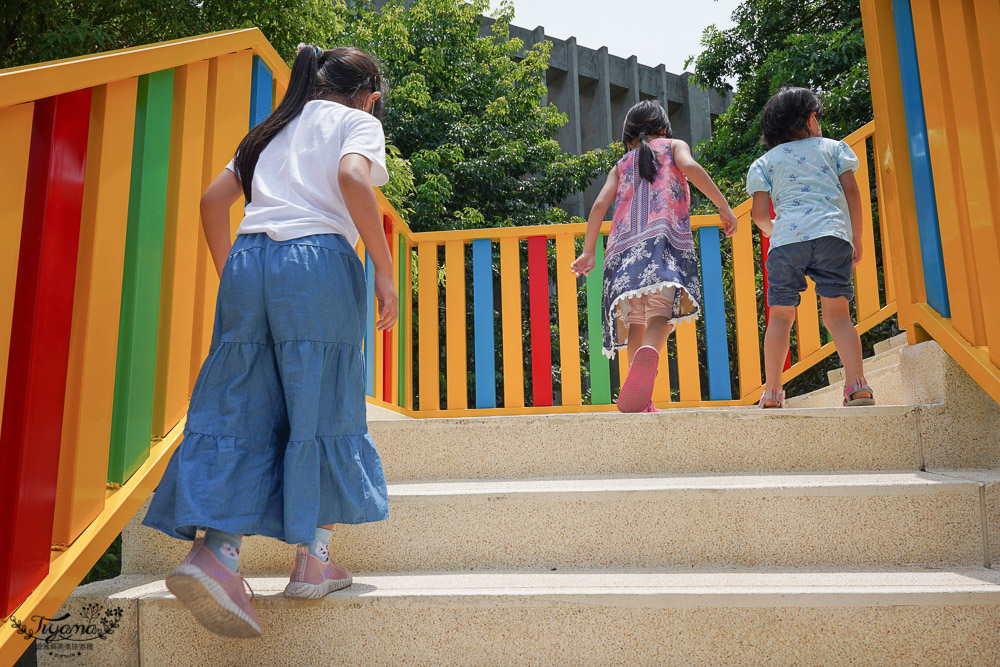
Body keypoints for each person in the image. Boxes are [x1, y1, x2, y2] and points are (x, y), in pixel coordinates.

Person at [141, 43, 397, 638]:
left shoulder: (268, 131)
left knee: (240, 402)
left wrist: (234, 268)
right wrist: (382, 268)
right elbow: (352, 176)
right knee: (323, 399)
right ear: (370, 97)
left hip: (250, 261)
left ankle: (218, 557)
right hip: (316, 263)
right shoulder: (356, 122)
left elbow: (211, 202)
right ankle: (313, 561)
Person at [571, 100, 737, 413]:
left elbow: (598, 207)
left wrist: (588, 251)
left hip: (621, 254)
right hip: (662, 245)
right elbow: (691, 168)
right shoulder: (674, 146)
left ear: (629, 137)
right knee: (661, 316)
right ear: (663, 128)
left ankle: (641, 399)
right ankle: (650, 352)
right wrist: (723, 206)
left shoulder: (621, 164)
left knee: (635, 320)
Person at [747, 86, 873, 408]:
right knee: (838, 317)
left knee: (780, 318)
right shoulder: (834, 148)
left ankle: (773, 393)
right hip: (832, 236)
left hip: (787, 241)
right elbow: (853, 195)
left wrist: (782, 230)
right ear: (812, 119)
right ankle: (857, 386)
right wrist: (855, 237)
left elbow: (760, 216)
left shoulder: (764, 162)